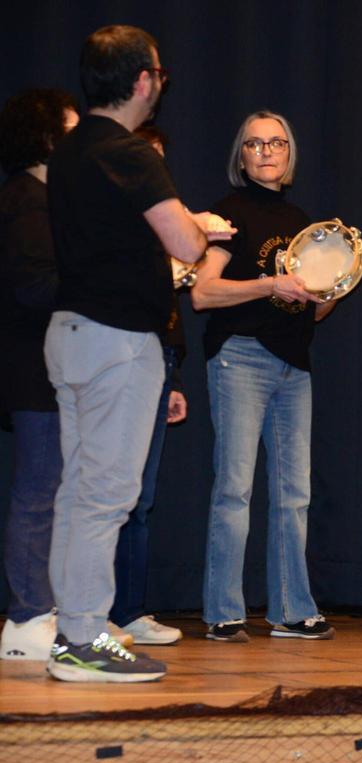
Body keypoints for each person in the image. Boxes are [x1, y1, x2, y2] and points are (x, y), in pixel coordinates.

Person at [44, 25, 230, 682]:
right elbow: (184, 244)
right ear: (145, 80)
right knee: (104, 495)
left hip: (68, 332)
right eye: (160, 75)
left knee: (78, 492)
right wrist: (201, 228)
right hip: (117, 339)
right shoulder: (129, 152)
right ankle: (84, 640)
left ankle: (72, 629)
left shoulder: (67, 151)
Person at [191, 110, 334, 643]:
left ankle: (292, 610)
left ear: (289, 154)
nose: (267, 152)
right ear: (242, 155)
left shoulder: (304, 222)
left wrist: (327, 295)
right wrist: (269, 285)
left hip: (294, 364)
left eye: (276, 143)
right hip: (241, 357)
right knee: (234, 489)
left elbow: (311, 310)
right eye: (255, 144)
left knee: (294, 493)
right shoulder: (227, 215)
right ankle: (224, 611)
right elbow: (203, 293)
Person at [0, 88, 78, 661]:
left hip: (46, 367)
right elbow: (33, 289)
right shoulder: (27, 200)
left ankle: (44, 610)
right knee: (37, 494)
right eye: (73, 130)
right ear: (48, 137)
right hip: (33, 368)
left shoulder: (44, 199)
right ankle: (26, 617)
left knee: (50, 491)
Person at [106, 125, 187, 647]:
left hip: (156, 367)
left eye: (155, 162)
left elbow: (169, 315)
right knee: (106, 495)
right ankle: (91, 612)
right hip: (113, 366)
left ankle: (129, 610)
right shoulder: (104, 227)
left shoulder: (165, 231)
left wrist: (173, 378)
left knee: (141, 497)